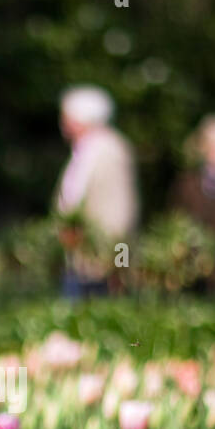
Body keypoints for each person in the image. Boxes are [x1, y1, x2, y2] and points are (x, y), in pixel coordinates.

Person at [53, 85, 139, 299]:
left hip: (100, 255)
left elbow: (120, 208)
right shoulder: (85, 148)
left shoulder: (111, 149)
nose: (63, 122)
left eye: (66, 116)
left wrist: (114, 255)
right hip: (79, 253)